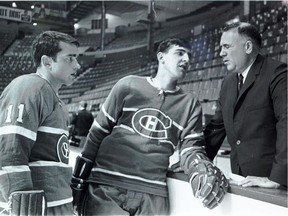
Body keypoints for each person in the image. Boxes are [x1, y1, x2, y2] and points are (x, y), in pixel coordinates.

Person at [71, 38, 228, 215]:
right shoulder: (127, 85)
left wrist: (200, 167)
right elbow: (96, 135)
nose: (186, 59)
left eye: (189, 55)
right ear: (161, 57)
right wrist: (78, 184)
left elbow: (191, 150)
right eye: (180, 53)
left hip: (153, 194)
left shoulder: (190, 103)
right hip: (107, 185)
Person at [0, 31, 81, 215]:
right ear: (47, 62)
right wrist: (23, 207)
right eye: (70, 58)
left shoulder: (53, 97)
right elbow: (10, 154)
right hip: (38, 208)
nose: (77, 65)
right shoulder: (29, 86)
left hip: (56, 204)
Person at [204, 22, 287, 188]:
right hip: (241, 180)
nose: (221, 53)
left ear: (248, 47)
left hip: (273, 184)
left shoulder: (279, 74)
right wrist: (195, 160)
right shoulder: (228, 82)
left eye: (226, 46)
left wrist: (277, 179)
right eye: (221, 47)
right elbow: (216, 128)